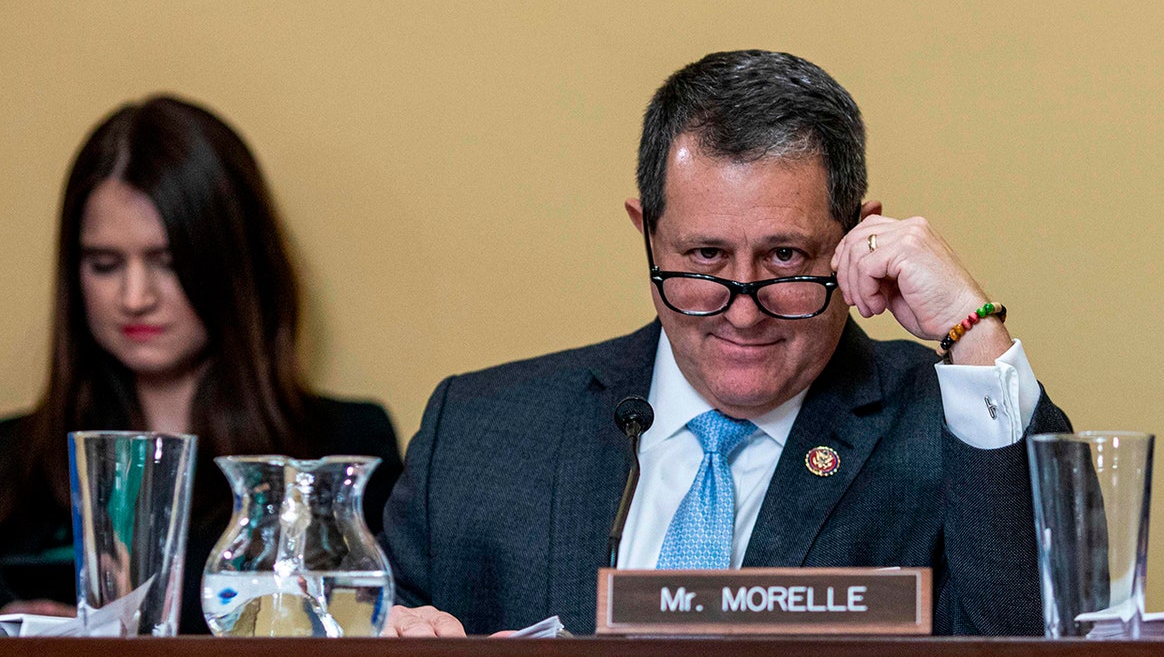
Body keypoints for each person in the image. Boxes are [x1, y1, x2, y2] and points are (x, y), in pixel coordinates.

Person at [380, 50, 1071, 637]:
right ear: (646, 231)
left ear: (859, 234)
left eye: (784, 257)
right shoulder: (476, 435)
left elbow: (1036, 635)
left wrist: (971, 324)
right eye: (705, 255)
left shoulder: (949, 433)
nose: (743, 311)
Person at [0, 96, 402, 633]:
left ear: (235, 264)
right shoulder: (12, 460)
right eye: (104, 264)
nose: (134, 296)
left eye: (168, 262)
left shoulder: (340, 449)